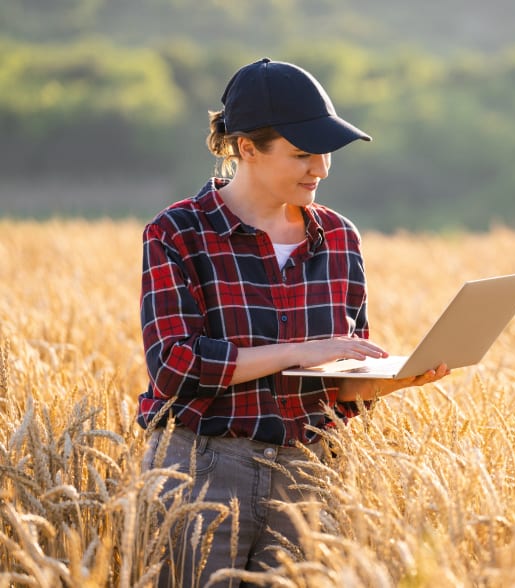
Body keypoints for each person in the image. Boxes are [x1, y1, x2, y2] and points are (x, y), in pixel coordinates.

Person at [137, 57, 449, 586]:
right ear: (246, 148)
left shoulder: (339, 236)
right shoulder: (178, 233)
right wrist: (299, 350)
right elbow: (173, 368)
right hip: (203, 473)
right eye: (302, 153)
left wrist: (392, 381)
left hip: (310, 475)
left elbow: (337, 379)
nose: (321, 168)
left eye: (325, 152)